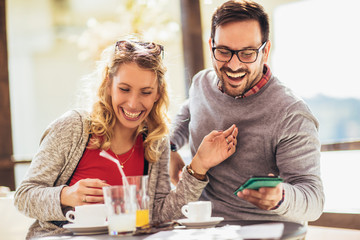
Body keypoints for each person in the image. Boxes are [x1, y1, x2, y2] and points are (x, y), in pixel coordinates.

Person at [14, 39, 238, 239]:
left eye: (145, 92)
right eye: (124, 89)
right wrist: (66, 195)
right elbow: (24, 196)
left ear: (158, 93)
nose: (133, 103)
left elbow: (159, 213)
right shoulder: (73, 128)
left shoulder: (155, 141)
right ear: (108, 86)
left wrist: (199, 165)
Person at [170, 0, 324, 223]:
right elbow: (186, 114)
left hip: (265, 233)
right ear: (211, 45)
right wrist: (171, 147)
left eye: (247, 53)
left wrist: (282, 197)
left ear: (265, 51)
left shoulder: (291, 113)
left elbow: (314, 200)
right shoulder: (201, 83)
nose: (233, 65)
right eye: (223, 51)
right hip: (203, 228)